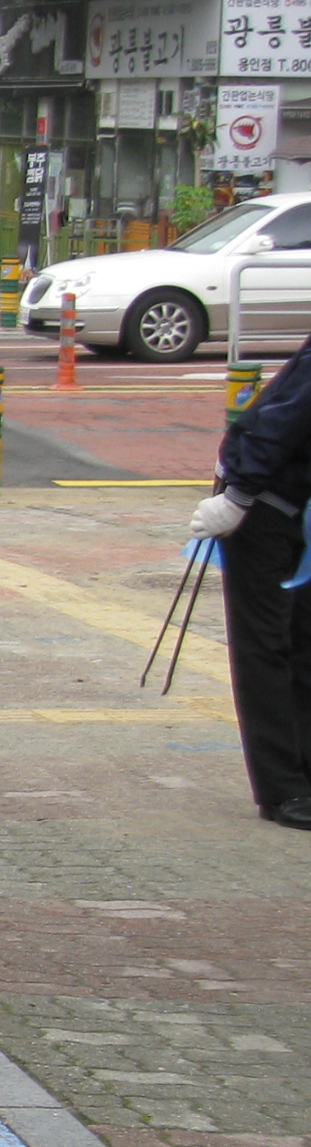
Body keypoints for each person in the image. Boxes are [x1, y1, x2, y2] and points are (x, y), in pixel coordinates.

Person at [192, 339, 311, 829]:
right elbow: (276, 421)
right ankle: (281, 791)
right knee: (265, 645)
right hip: (260, 505)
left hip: (301, 514)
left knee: (304, 644)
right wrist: (237, 496)